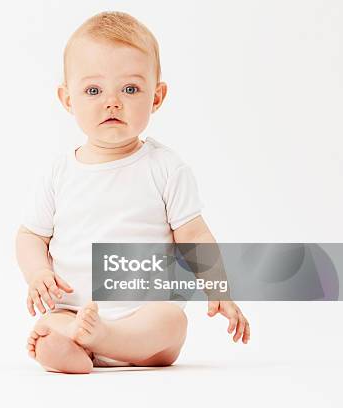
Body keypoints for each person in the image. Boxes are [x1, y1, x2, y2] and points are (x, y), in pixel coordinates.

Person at [16, 11, 250, 374]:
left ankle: (104, 339)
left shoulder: (166, 168)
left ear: (157, 97)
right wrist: (37, 275)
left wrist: (218, 289)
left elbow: (194, 235)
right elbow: (31, 235)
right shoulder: (58, 173)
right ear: (67, 99)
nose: (112, 102)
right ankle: (76, 349)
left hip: (146, 316)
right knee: (51, 327)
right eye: (93, 90)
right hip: (75, 309)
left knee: (172, 321)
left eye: (130, 89)